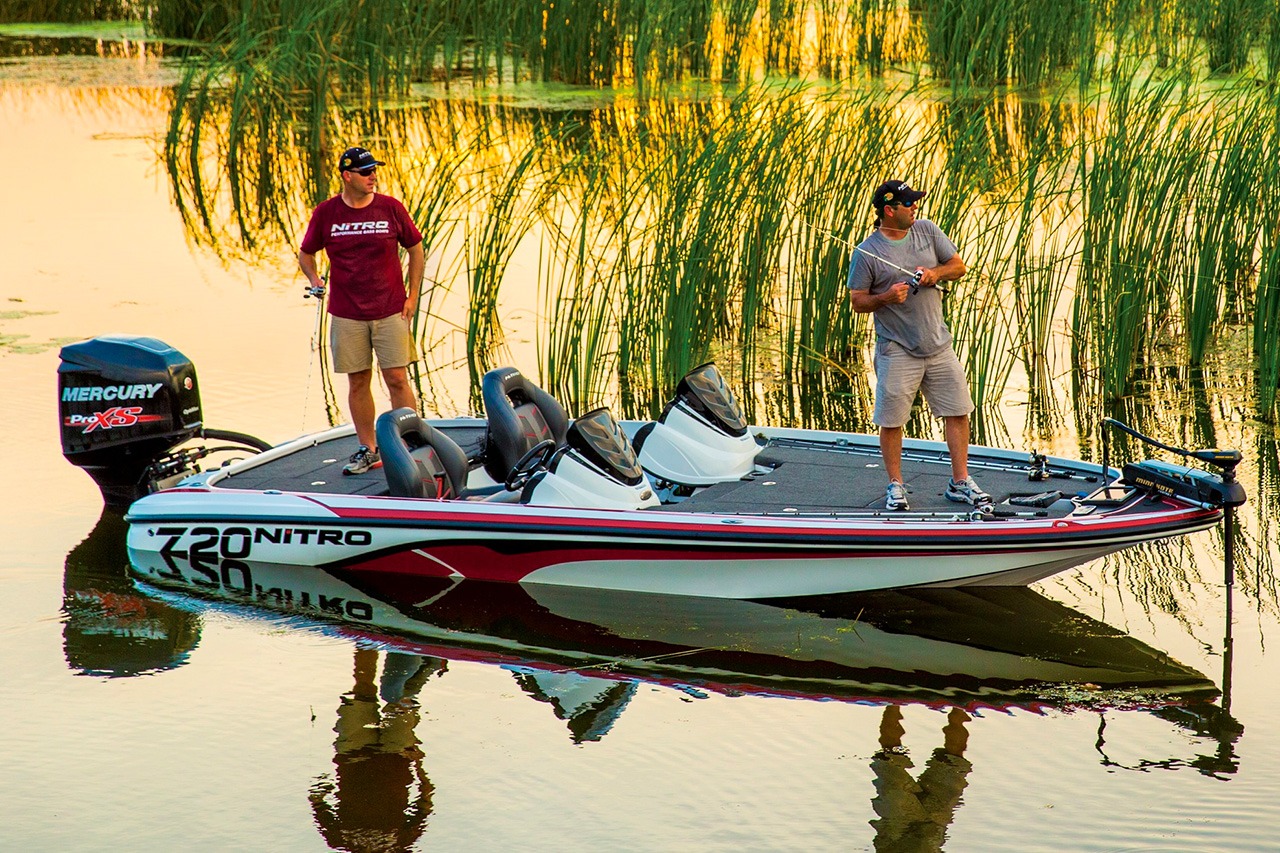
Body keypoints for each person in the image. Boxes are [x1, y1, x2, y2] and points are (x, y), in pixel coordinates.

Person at [847, 180, 988, 511]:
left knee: (958, 411)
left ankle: (960, 482)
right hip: (896, 348)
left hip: (938, 343)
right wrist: (885, 297)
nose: (915, 207)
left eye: (915, 202)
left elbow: (958, 267)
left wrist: (935, 274)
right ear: (889, 210)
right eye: (908, 203)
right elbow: (857, 301)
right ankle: (896, 485)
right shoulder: (867, 252)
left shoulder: (927, 229)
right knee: (892, 419)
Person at [299, 146, 425, 475]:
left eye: (374, 171)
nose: (373, 177)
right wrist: (315, 279)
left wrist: (412, 296)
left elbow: (415, 248)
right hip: (346, 313)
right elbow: (306, 253)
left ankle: (410, 445)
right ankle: (368, 449)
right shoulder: (327, 213)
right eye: (366, 172)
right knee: (358, 381)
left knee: (397, 378)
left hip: (391, 309)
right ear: (347, 176)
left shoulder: (390, 208)